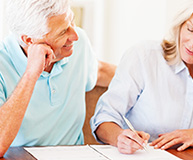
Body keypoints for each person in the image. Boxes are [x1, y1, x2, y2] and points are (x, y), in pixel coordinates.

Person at [90, 0, 193, 154]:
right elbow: (104, 118)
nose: (192, 43)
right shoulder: (144, 57)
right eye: (190, 29)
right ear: (181, 24)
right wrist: (120, 137)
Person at [0, 0, 116, 157]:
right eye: (62, 32)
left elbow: (100, 71)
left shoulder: (78, 44)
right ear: (29, 40)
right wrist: (31, 74)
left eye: (72, 20)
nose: (75, 35)